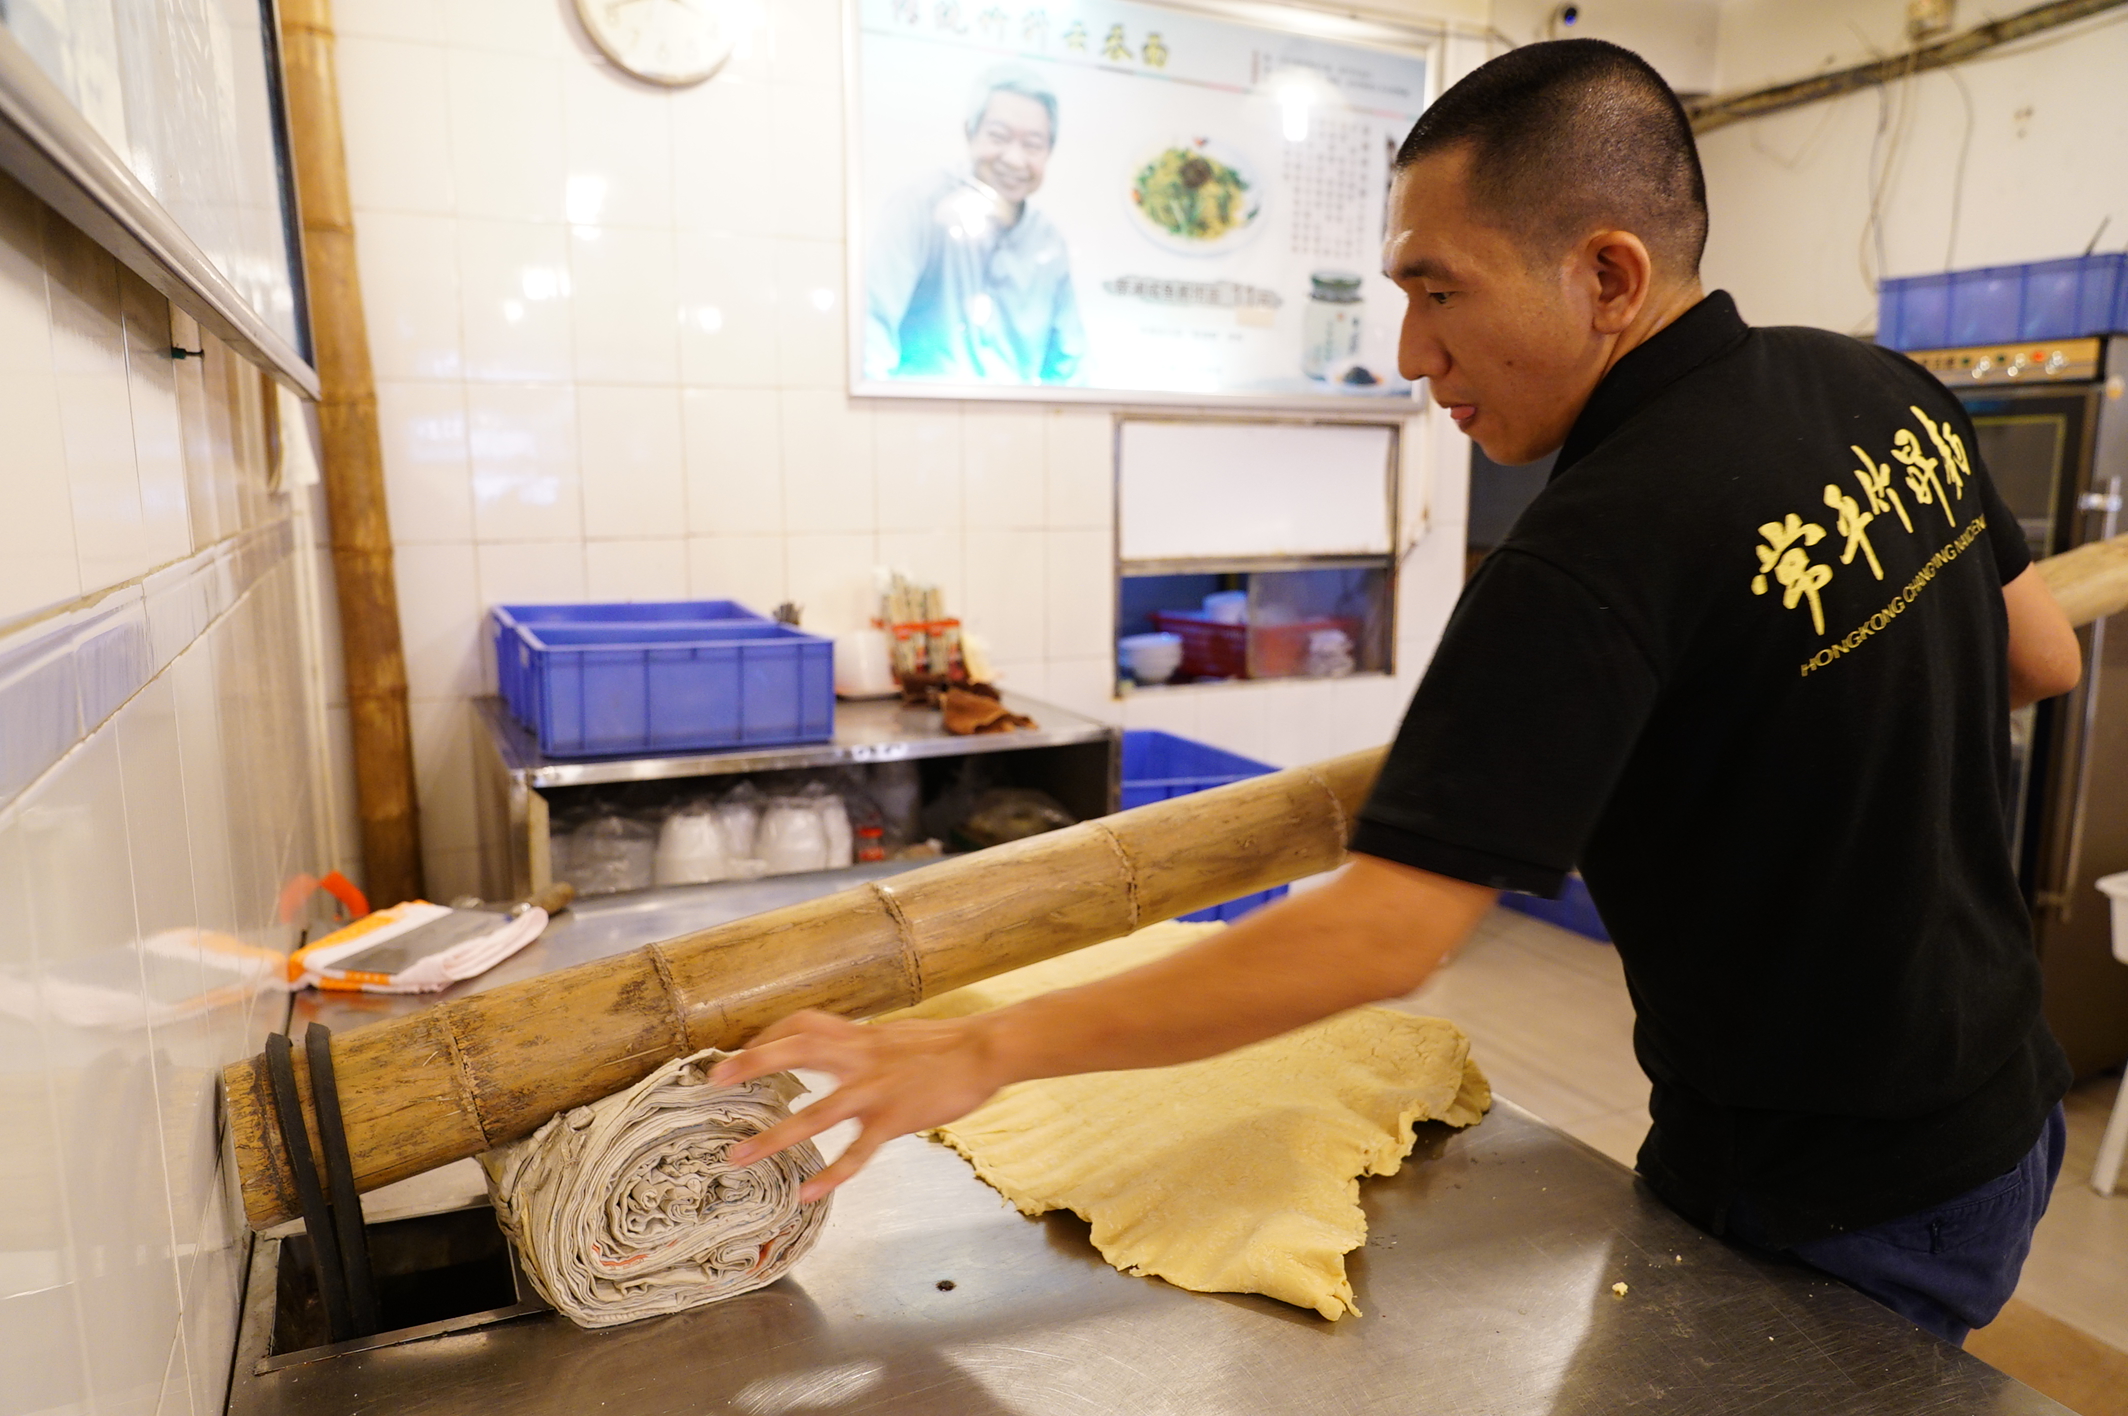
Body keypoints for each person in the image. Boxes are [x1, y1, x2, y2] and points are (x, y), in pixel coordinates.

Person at [718, 40, 2084, 1347]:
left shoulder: (1592, 555)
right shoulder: (1879, 384)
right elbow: (2040, 658)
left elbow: (1380, 938)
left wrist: (981, 1052)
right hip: (2014, 1110)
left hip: (1829, 1198)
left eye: (1439, 291)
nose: (1412, 352)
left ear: (1607, 273)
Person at [864, 68, 1086, 385]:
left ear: (1049, 151)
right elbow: (870, 331)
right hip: (920, 420)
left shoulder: (1047, 242)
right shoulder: (917, 209)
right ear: (970, 133)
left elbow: (1071, 365)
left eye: (1033, 144)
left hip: (1015, 426)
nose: (1014, 159)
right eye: (999, 137)